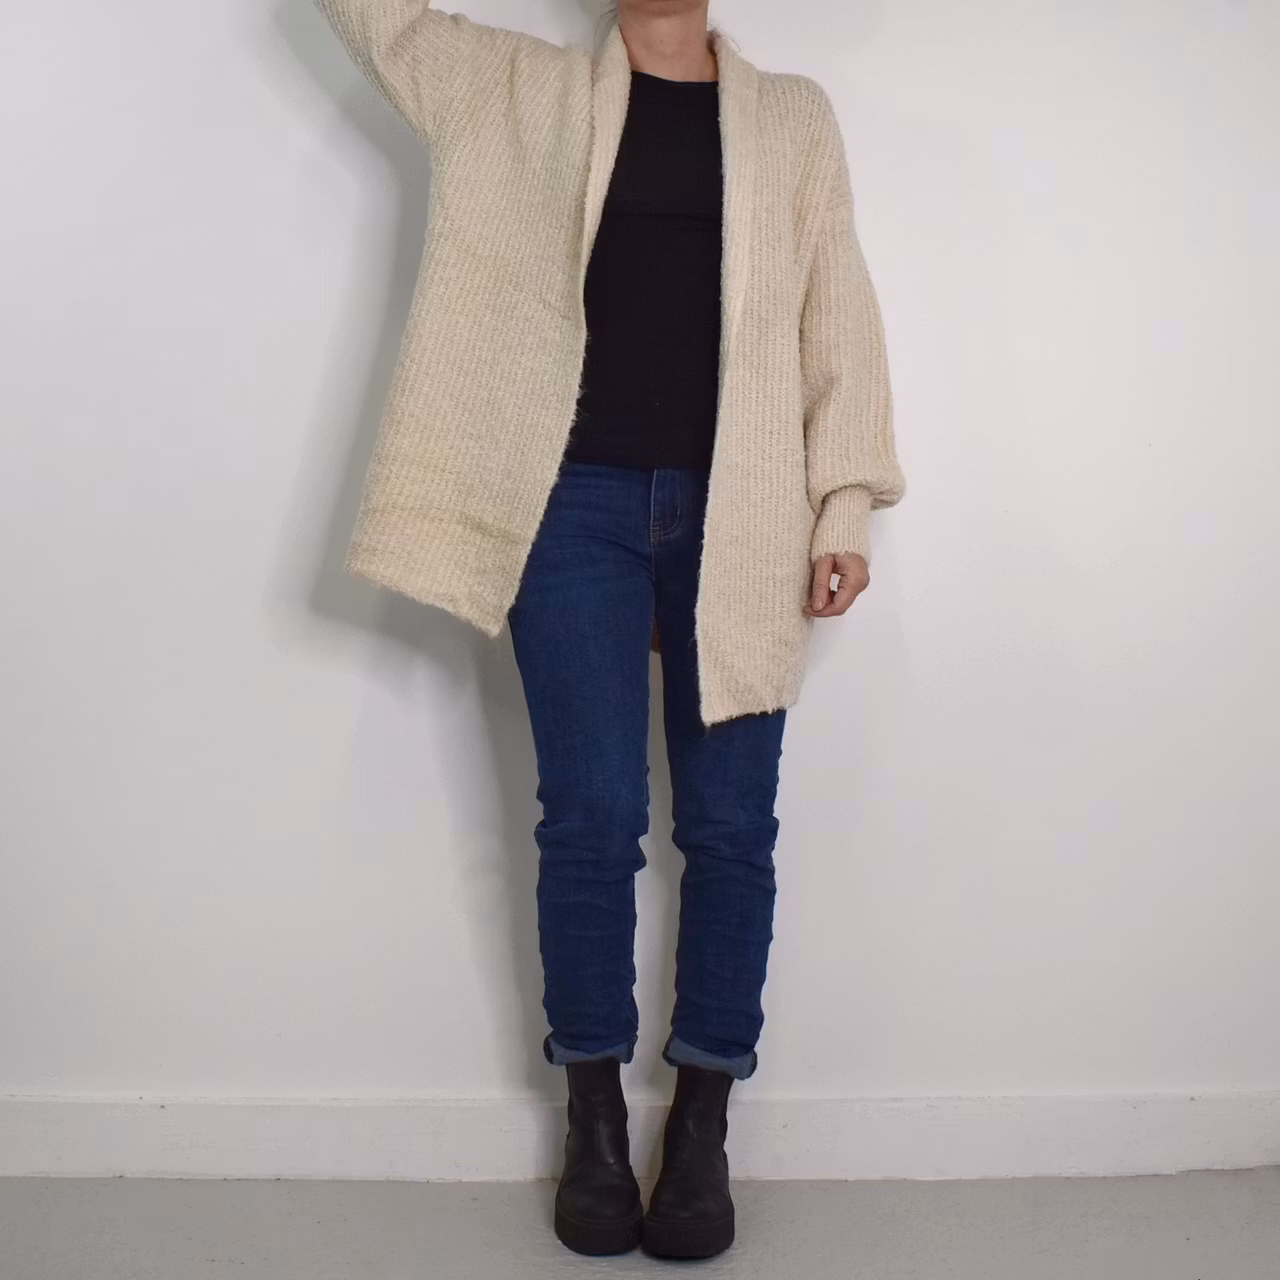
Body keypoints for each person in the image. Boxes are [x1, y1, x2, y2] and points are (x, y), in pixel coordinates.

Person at [314, 0, 905, 1261]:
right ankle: (590, 1120)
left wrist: (843, 501)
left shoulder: (790, 118)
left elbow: (834, 309)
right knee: (589, 818)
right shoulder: (509, 88)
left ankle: (700, 1124)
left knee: (729, 826)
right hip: (567, 502)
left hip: (744, 503)